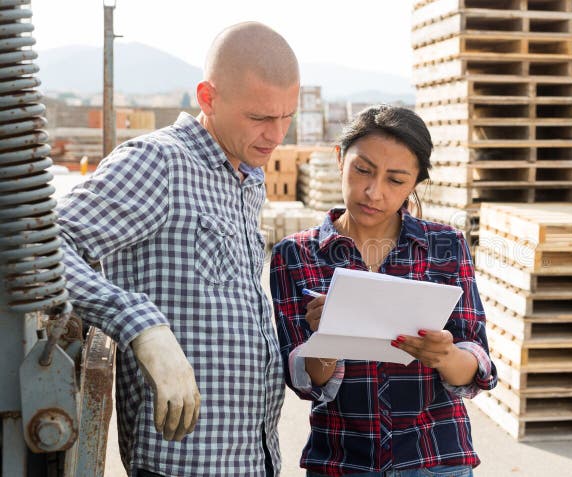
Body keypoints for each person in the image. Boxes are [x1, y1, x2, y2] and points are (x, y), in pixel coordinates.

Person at [56, 22, 298, 477]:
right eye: (260, 117)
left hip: (250, 459)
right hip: (183, 464)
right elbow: (44, 244)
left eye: (287, 116)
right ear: (208, 98)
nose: (277, 134)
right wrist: (140, 326)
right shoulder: (159, 162)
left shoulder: (247, 177)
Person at [270, 105, 498, 477]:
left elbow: (478, 363)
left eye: (395, 180)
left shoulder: (446, 245)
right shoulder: (294, 255)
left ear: (414, 184)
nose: (374, 192)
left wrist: (444, 356)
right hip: (342, 462)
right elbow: (305, 383)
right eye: (363, 170)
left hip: (435, 459)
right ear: (340, 159)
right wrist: (327, 340)